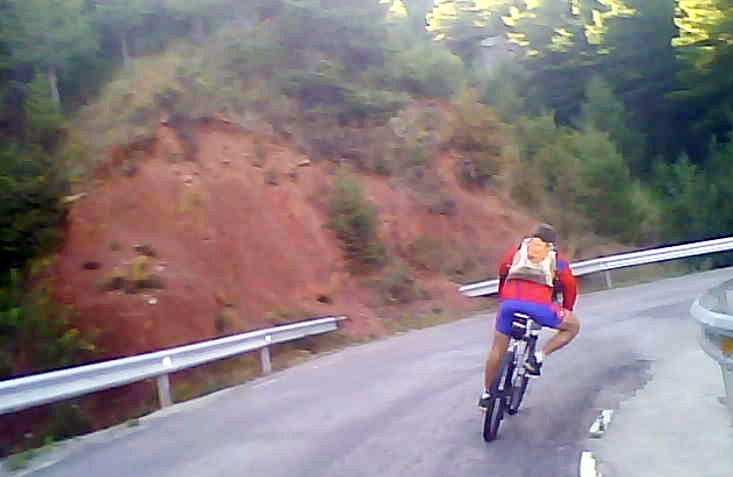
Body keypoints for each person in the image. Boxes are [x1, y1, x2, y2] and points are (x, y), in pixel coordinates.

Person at [478, 224, 580, 408]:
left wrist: (503, 297)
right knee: (573, 327)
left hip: (509, 305)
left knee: (498, 349)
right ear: (551, 243)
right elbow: (570, 286)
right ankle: (538, 357)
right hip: (539, 306)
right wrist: (567, 309)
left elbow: (503, 271)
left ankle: (486, 394)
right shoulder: (556, 258)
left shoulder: (517, 252)